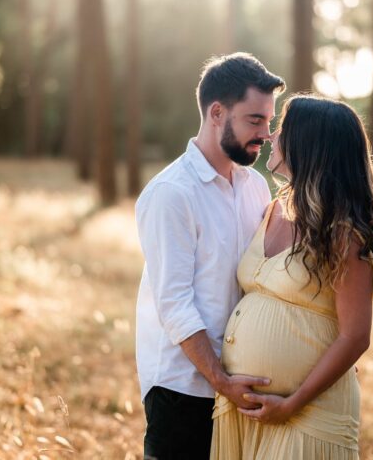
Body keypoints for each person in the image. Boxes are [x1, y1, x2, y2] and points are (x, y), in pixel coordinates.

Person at [210, 95, 373, 459]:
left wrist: (293, 402)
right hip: (242, 411)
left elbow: (355, 336)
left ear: (308, 144)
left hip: (309, 415)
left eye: (281, 128)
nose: (270, 136)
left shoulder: (345, 233)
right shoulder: (271, 210)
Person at [134, 53, 286, 459]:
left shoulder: (255, 186)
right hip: (183, 388)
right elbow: (174, 304)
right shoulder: (171, 194)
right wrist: (221, 380)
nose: (265, 134)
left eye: (268, 122)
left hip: (241, 385)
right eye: (255, 120)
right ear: (217, 113)